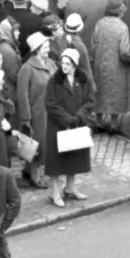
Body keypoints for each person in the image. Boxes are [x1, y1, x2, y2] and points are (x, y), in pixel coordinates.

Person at [44, 48, 95, 207]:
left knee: (74, 156)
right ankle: (55, 191)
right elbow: (50, 104)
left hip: (77, 124)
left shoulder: (83, 79)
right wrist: (66, 118)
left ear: (75, 65)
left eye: (67, 63)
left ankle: (71, 187)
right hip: (58, 126)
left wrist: (79, 117)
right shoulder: (54, 80)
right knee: (56, 161)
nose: (64, 66)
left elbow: (90, 100)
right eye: (62, 63)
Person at [15, 32, 55, 190]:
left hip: (50, 113)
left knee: (46, 144)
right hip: (36, 114)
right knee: (35, 146)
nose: (48, 49)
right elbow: (22, 95)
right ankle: (34, 175)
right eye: (45, 47)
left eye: (48, 46)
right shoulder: (27, 68)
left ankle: (29, 170)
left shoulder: (51, 64)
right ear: (36, 49)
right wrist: (25, 118)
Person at [90, 0, 130, 135]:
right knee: (116, 92)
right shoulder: (122, 27)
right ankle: (113, 124)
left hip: (100, 63)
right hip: (117, 66)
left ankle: (98, 122)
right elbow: (124, 51)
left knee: (100, 91)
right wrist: (129, 60)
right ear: (120, 11)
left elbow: (93, 44)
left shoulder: (100, 23)